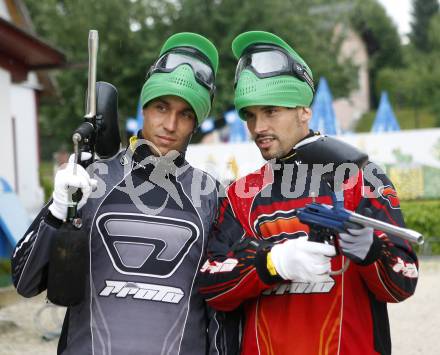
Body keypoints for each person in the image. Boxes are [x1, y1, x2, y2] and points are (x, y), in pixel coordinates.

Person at [11, 32, 239, 355]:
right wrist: (58, 210)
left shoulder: (212, 197)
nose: (170, 124)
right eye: (161, 107)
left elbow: (222, 318)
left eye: (185, 114)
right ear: (143, 108)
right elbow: (25, 282)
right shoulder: (92, 179)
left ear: (196, 124)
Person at [199, 31, 419, 355]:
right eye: (250, 115)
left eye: (271, 111)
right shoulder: (240, 195)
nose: (258, 127)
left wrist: (373, 252)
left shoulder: (362, 178)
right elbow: (211, 286)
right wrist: (270, 264)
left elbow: (403, 282)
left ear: (304, 110)